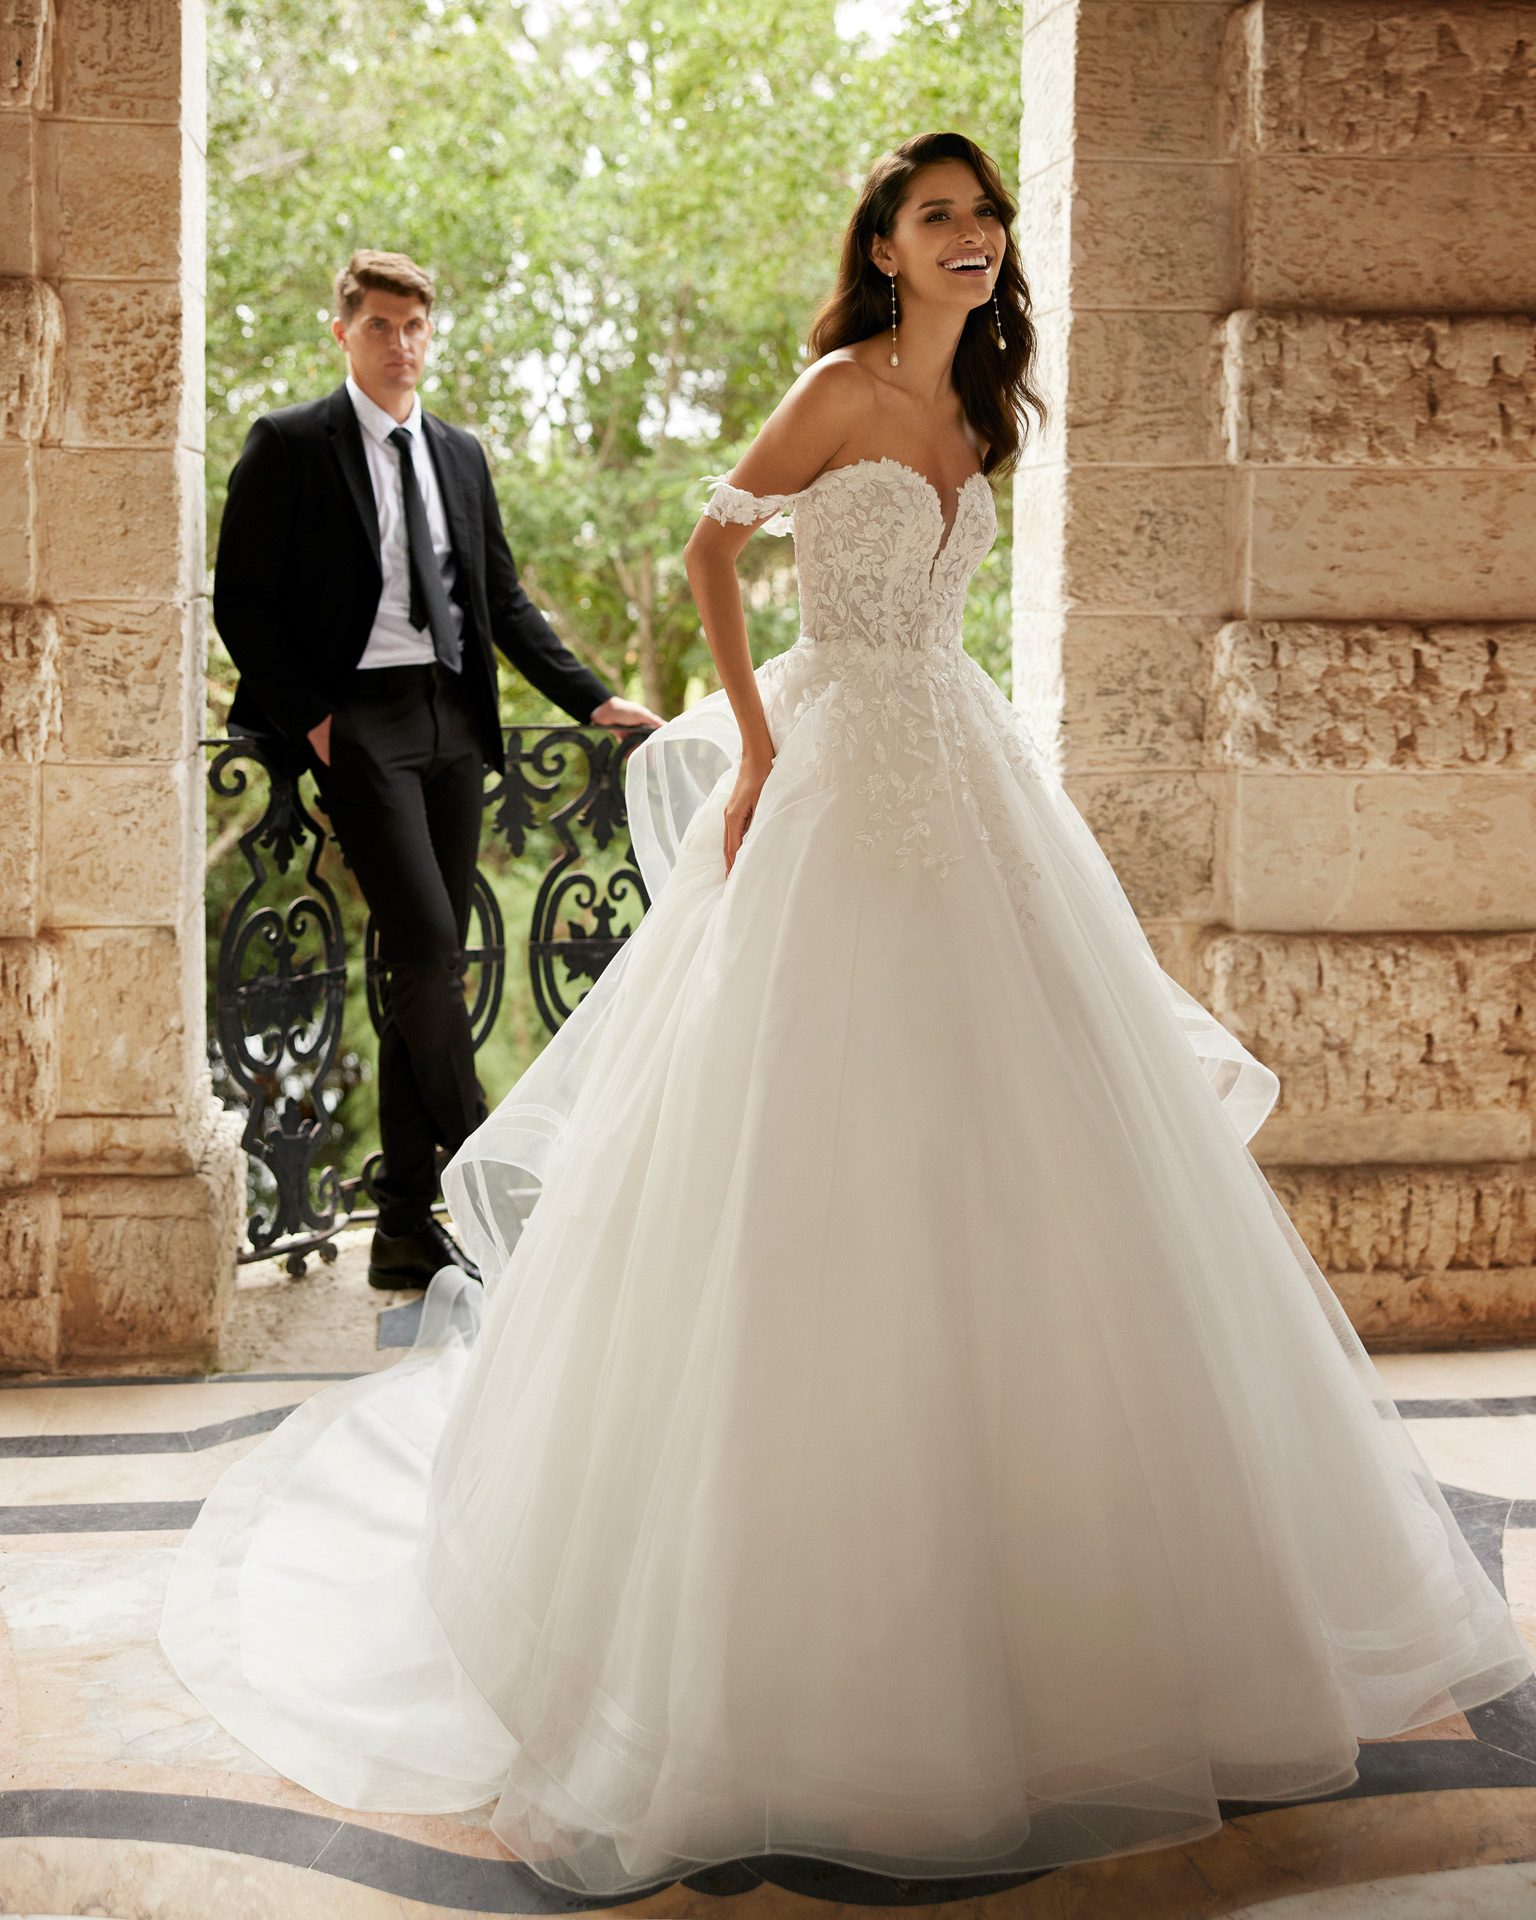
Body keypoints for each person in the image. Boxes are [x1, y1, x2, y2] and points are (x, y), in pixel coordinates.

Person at [164, 138, 1533, 1896]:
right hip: (831, 767)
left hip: (958, 764)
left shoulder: (986, 409)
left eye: (984, 217)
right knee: (801, 1135)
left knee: (1025, 1129)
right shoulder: (839, 386)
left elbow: (922, 604)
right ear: (883, 250)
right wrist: (753, 740)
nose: (969, 239)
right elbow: (714, 546)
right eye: (937, 217)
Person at [214, 250, 659, 1291]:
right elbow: (245, 604)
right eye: (380, 325)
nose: (402, 345)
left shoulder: (457, 452)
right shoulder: (288, 446)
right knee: (425, 950)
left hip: (455, 723)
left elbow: (502, 604)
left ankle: (406, 1223)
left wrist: (591, 698)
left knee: (420, 966)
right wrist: (316, 726)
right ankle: (502, 1181)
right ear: (343, 332)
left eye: (415, 327)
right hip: (355, 722)